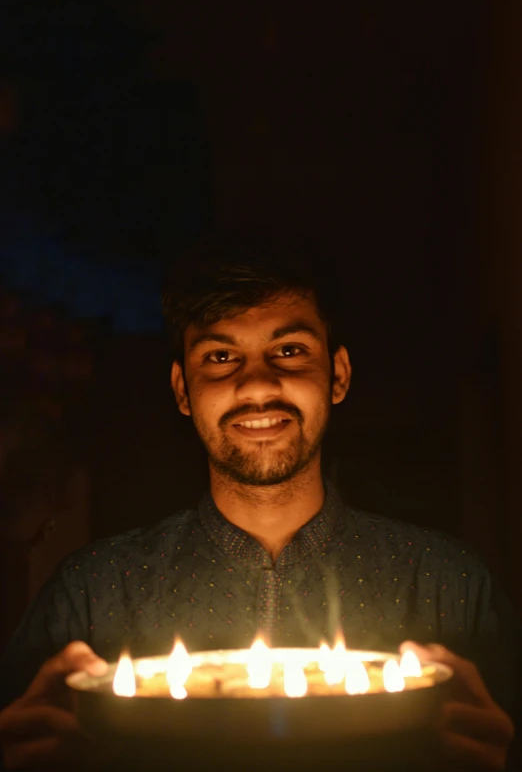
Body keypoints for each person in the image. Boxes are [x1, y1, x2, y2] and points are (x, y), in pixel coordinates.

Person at [0, 232, 520, 771]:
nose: (257, 385)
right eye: (221, 357)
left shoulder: (450, 587)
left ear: (337, 375)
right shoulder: (90, 594)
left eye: (289, 351)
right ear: (183, 390)